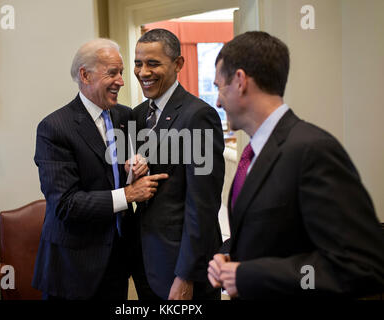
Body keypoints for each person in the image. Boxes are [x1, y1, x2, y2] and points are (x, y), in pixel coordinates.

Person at [207, 31, 384, 299]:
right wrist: (228, 256)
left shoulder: (313, 151)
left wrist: (249, 274)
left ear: (241, 81)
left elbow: (362, 268)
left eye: (219, 86)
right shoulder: (253, 154)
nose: (218, 101)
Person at [32, 38, 168, 300]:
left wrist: (135, 168)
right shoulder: (54, 128)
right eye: (112, 73)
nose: (121, 81)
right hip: (73, 267)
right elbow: (65, 204)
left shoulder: (125, 116)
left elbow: (121, 172)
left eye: (122, 73)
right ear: (85, 75)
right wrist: (128, 194)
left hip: (117, 260)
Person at [130, 29, 225, 300]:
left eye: (153, 63)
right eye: (138, 63)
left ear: (178, 64)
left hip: (182, 266)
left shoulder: (199, 116)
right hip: (145, 260)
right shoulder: (137, 116)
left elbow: (203, 205)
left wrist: (186, 275)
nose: (143, 72)